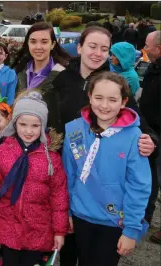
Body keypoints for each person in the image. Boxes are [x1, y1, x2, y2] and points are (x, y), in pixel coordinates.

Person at [50, 26, 158, 266]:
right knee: (69, 257)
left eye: (104, 49)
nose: (97, 53)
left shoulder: (113, 85)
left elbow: (140, 179)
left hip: (110, 215)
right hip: (76, 202)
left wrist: (152, 141)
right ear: (79, 47)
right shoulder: (60, 81)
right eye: (92, 46)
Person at [63, 72, 151, 265]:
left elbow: (139, 186)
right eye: (98, 98)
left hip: (113, 222)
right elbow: (67, 175)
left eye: (112, 99)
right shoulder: (74, 130)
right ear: (89, 97)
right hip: (79, 215)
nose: (104, 105)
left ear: (123, 102)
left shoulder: (134, 137)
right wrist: (66, 213)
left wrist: (131, 230)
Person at [0, 91, 69, 265]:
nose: (28, 131)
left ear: (43, 126)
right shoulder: (3, 152)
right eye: (23, 124)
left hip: (37, 228)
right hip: (8, 223)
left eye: (35, 126)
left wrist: (59, 231)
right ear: (14, 124)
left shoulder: (52, 159)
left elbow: (59, 197)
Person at [139, 30, 161, 244]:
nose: (144, 48)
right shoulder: (152, 68)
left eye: (147, 44)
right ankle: (144, 216)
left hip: (158, 131)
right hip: (149, 131)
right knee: (149, 178)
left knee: (156, 178)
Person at [13, 22, 70, 98]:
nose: (38, 47)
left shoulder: (62, 75)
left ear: (52, 45)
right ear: (28, 44)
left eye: (44, 42)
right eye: (33, 42)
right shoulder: (20, 70)